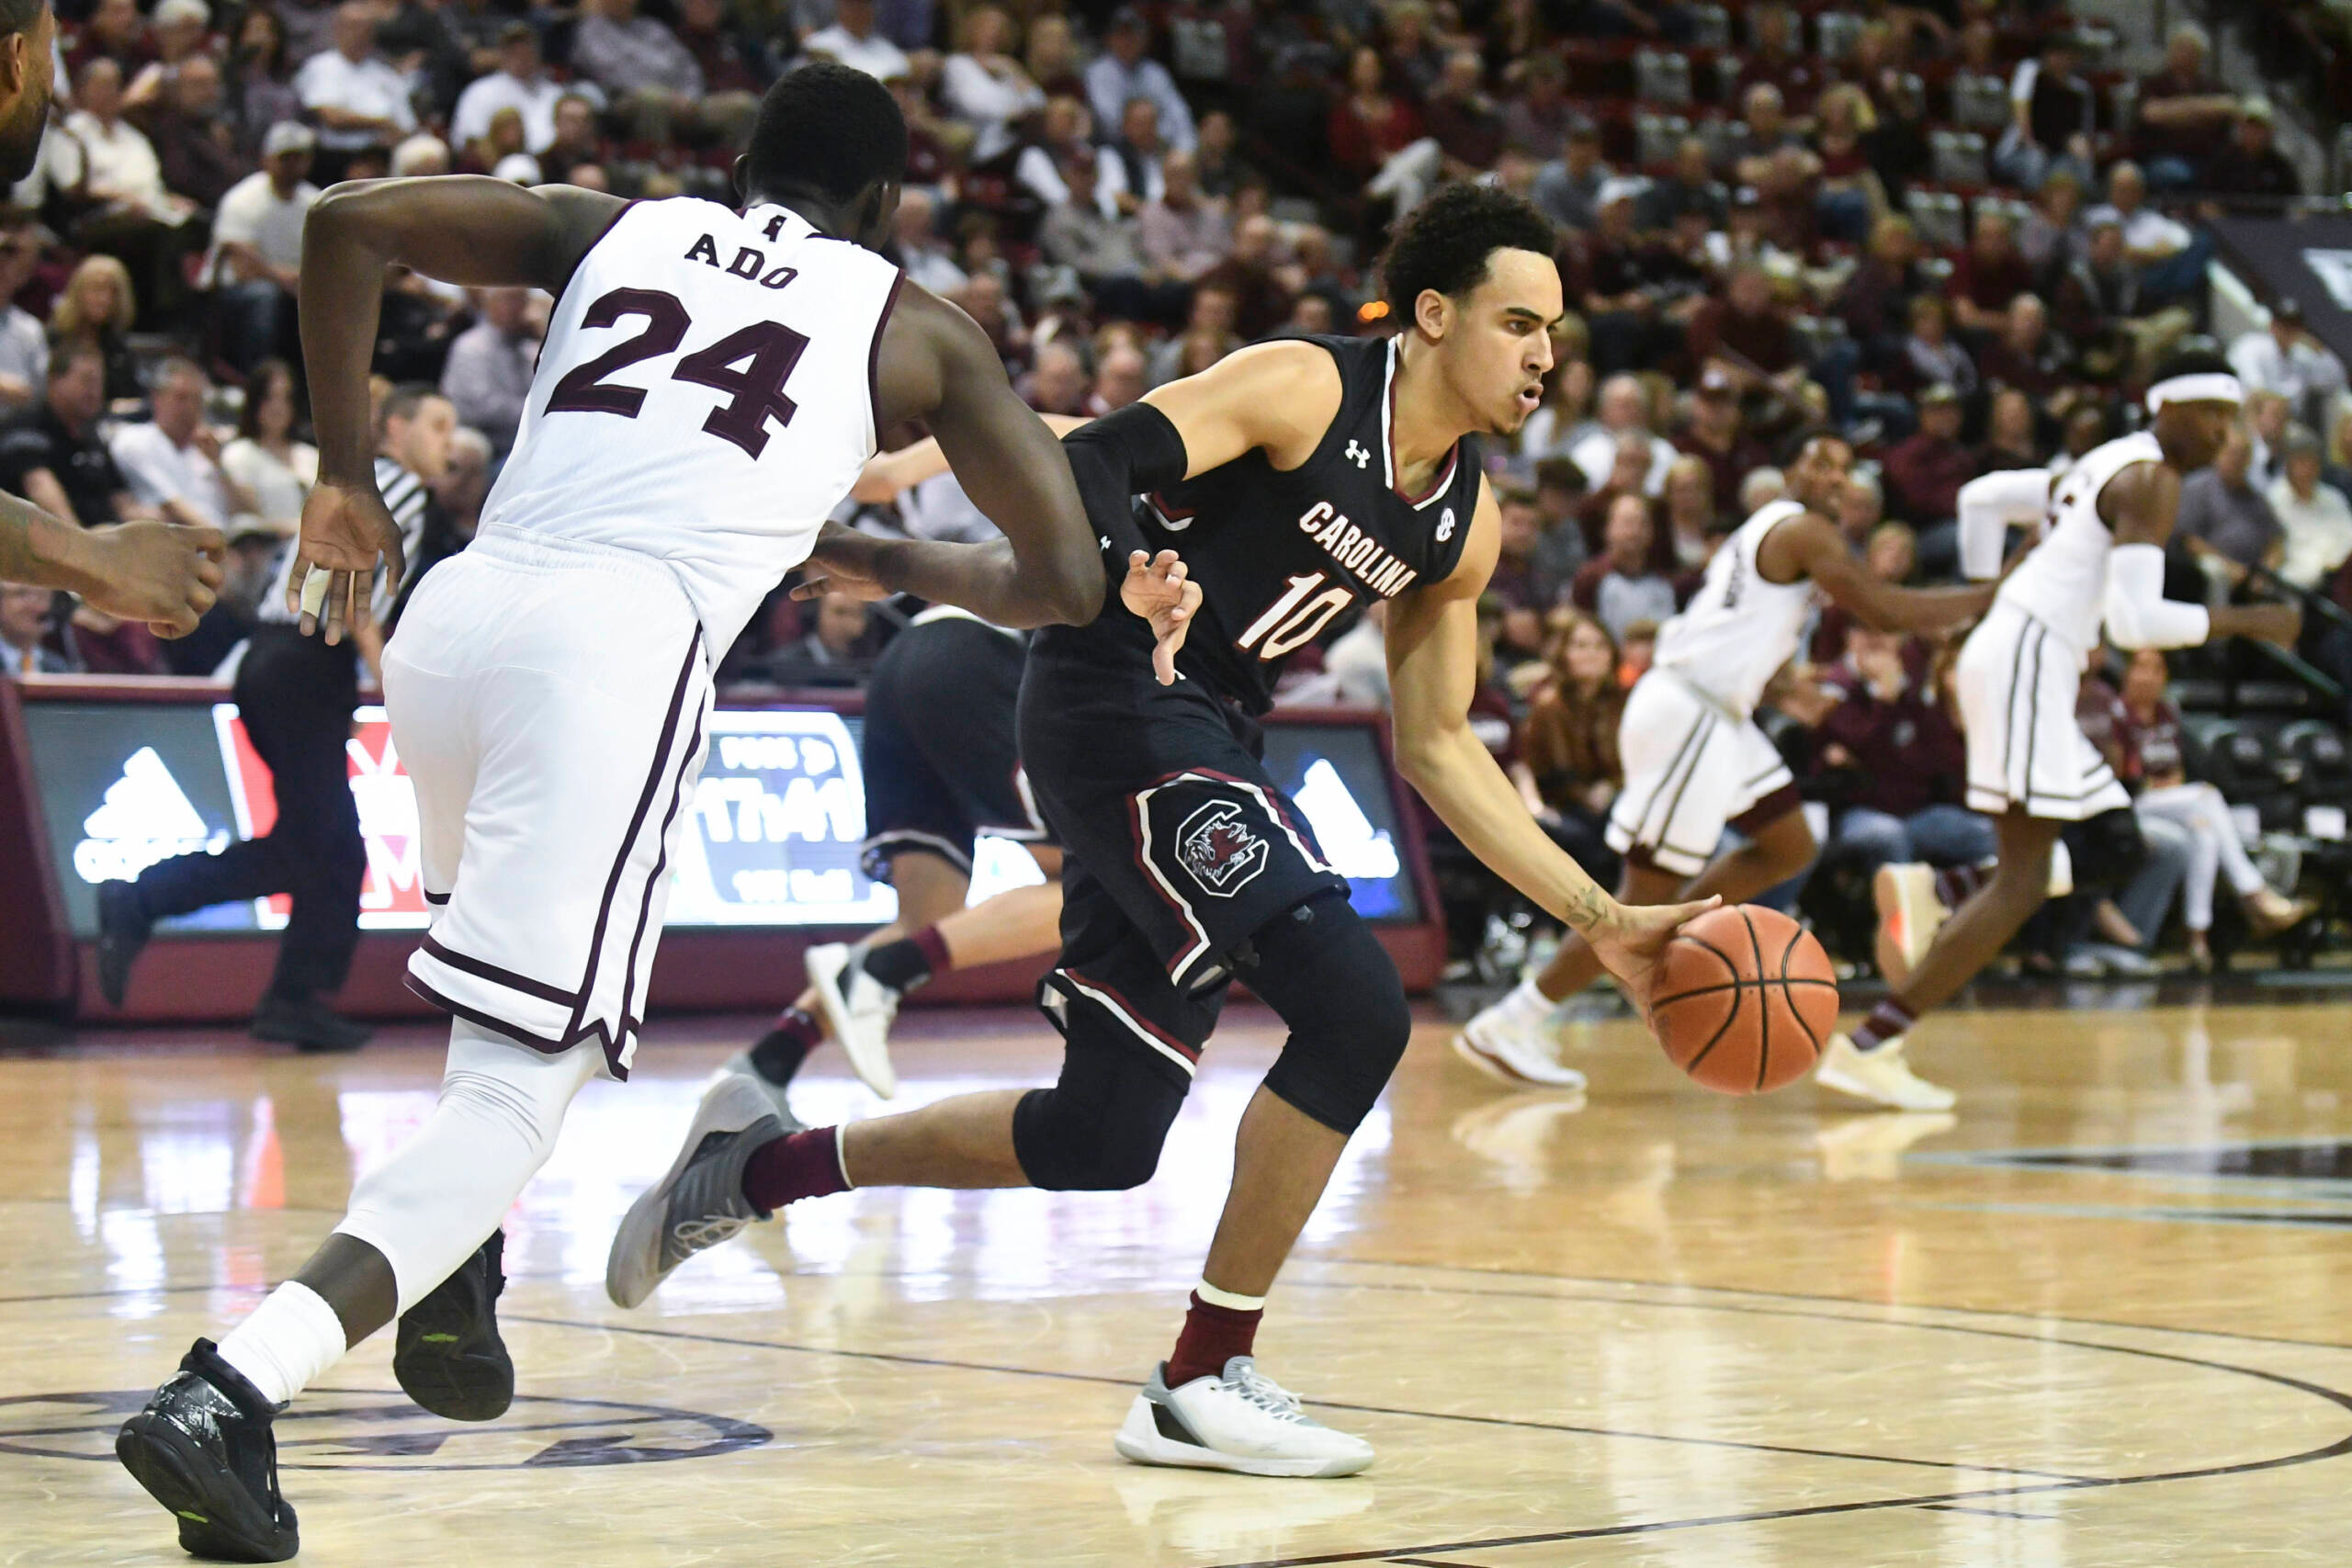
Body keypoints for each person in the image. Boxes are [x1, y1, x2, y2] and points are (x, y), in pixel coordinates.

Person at [111, 63, 1163, 1562]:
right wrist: (883, 559)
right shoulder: (912, 327)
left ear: (738, 162)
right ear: (885, 207)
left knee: (489, 1024)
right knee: (518, 1093)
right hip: (612, 652)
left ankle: (457, 1269)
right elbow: (1062, 579)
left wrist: (344, 476)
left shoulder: (617, 223)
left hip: (453, 621)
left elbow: (345, 222)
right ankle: (235, 1388)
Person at [610, 183, 1716, 1480]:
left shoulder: (1464, 523)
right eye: (1520, 322)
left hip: (1207, 735)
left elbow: (1437, 743)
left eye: (1556, 333)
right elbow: (1091, 457)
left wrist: (1604, 917)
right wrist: (1131, 560)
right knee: (1357, 1008)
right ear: (1432, 315)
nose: (1544, 356)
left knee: (1104, 1134)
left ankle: (755, 1168)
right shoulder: (1305, 385)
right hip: (1115, 698)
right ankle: (1202, 1375)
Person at [1828, 355, 2301, 1110]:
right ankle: (1871, 1043)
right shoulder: (2152, 479)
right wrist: (2251, 620)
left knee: (2114, 841)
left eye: (2230, 416)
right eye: (2209, 412)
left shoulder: (2101, 461)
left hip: (2027, 659)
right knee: (2021, 882)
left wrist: (1988, 596)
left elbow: (1984, 499)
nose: (2221, 431)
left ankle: (1941, 889)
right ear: (2166, 407)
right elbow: (2133, 620)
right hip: (2028, 659)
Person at [1460, 434, 1994, 1086]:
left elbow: (1739, 628)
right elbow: (1884, 607)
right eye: (1814, 459)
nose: (1826, 474)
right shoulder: (1802, 530)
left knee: (1790, 844)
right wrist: (1988, 596)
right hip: (1691, 715)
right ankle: (1514, 1019)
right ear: (1789, 469)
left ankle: (1667, 954)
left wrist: (1781, 687)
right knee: (1641, 897)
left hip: (1718, 713)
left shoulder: (1776, 530)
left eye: (1840, 467)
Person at [98, 383, 452, 1051]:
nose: (450, 445)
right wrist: (382, 675)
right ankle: (155, 909)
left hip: (284, 664)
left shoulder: (359, 485)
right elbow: (341, 598)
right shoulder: (396, 485)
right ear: (396, 430)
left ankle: (279, 990)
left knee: (319, 849)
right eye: (437, 426)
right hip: (300, 662)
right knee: (330, 848)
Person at [2111, 647, 2312, 969]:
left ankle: (2197, 940)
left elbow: (2178, 769)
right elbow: (2129, 776)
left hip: (2172, 802)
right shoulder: (2117, 714)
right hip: (2130, 804)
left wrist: (2169, 785)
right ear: (2126, 674)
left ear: (2165, 677)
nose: (2147, 677)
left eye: (2156, 669)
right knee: (2207, 798)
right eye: (2140, 668)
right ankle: (2254, 894)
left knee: (2204, 835)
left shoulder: (2167, 713)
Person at [108, 356, 256, 528]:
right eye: (181, 398)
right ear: (157, 398)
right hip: (190, 543)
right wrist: (221, 546)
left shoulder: (206, 450)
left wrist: (218, 465)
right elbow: (172, 506)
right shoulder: (136, 440)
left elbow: (249, 510)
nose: (190, 408)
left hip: (233, 540)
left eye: (197, 400)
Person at [220, 357, 318, 534]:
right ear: (255, 402)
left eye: (285, 398)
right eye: (269, 397)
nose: (277, 407)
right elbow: (249, 516)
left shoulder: (311, 455)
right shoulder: (238, 454)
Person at [438, 286, 537, 452]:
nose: (518, 307)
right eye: (510, 299)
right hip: (483, 442)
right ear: (489, 303)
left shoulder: (530, 349)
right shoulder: (470, 346)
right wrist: (536, 410)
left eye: (522, 300)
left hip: (523, 439)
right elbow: (484, 407)